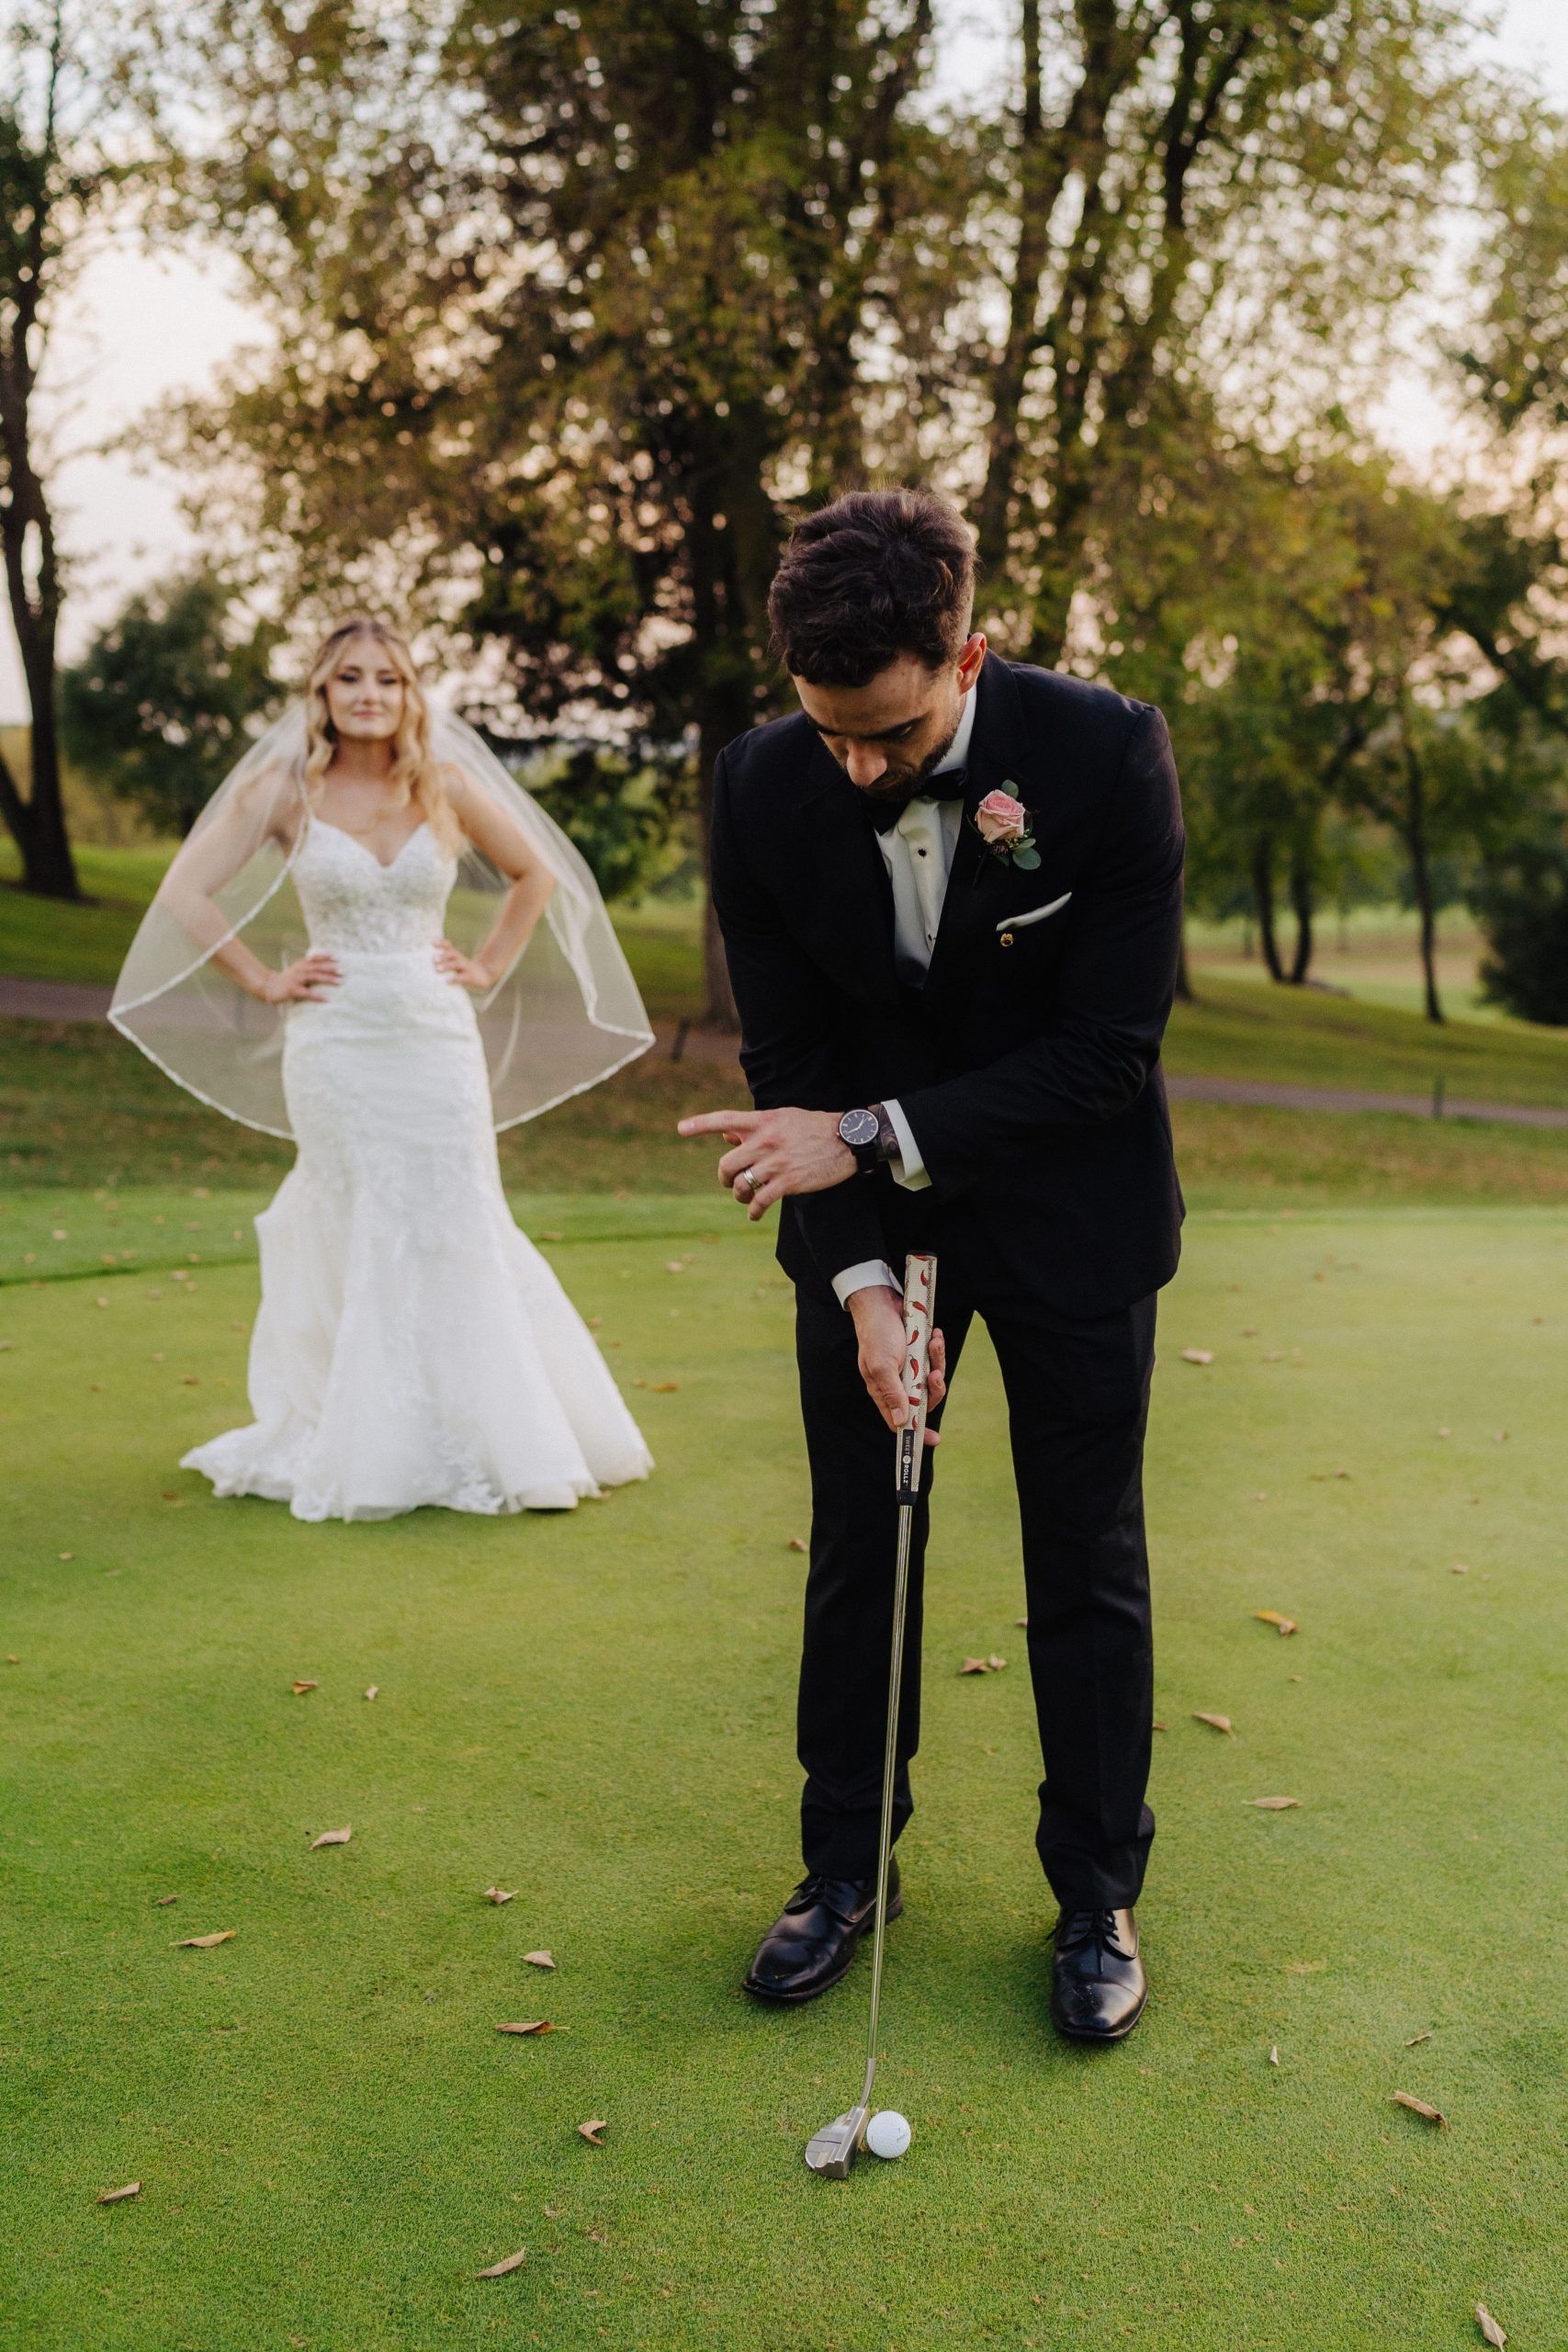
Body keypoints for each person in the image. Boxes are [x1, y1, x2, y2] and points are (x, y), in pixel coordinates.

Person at [680, 490, 1184, 2042]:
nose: (854, 766)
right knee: (858, 1545)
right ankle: (843, 1869)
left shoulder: (1102, 752)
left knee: (1080, 1558)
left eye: (888, 736)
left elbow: (1107, 1052)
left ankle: (1093, 1893)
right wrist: (865, 1289)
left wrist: (873, 1129)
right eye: (827, 729)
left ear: (967, 654)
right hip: (863, 1224)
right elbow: (789, 1065)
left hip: (1072, 1209)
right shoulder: (760, 788)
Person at [111, 617, 655, 1521]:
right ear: (321, 695)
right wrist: (263, 977)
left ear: (409, 694)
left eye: (389, 680)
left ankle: (499, 1433)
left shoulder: (442, 784)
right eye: (350, 679)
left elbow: (536, 877)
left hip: (435, 1038)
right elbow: (182, 891)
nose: (370, 694)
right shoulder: (283, 788)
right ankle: (364, 1436)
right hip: (335, 1041)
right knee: (357, 1216)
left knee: (455, 1217)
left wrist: (483, 965)